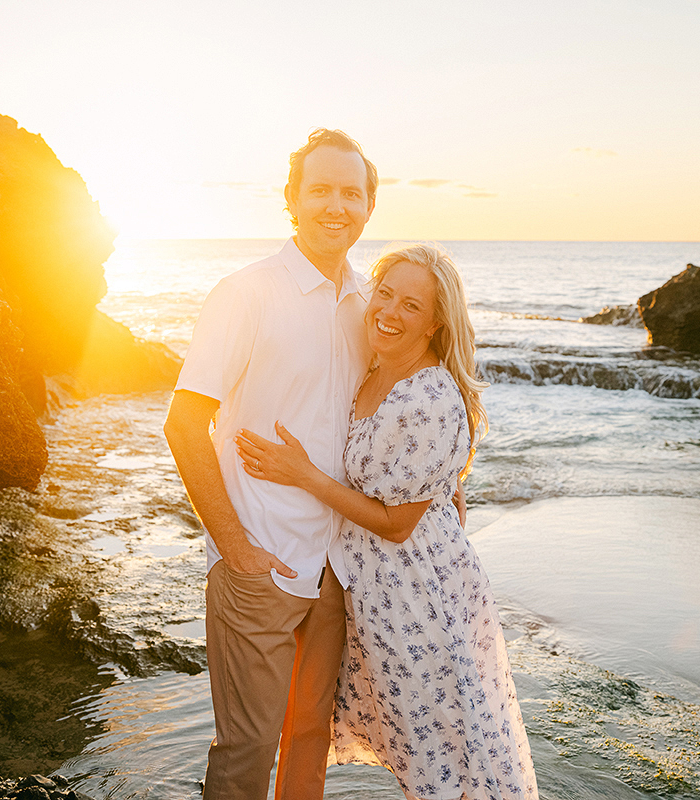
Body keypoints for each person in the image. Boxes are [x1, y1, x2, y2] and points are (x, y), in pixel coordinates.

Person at [236, 244, 539, 800]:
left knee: (443, 754)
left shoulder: (429, 394)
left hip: (419, 593)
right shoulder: (373, 366)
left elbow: (397, 524)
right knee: (405, 739)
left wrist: (300, 474)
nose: (390, 313)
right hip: (366, 583)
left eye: (411, 306)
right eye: (385, 295)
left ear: (435, 323)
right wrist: (449, 480)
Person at [163, 128, 377, 800]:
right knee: (247, 750)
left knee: (311, 737)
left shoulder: (372, 305)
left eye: (351, 192)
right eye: (320, 190)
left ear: (370, 205)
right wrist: (234, 546)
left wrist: (449, 487)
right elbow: (183, 422)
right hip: (260, 561)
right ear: (291, 198)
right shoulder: (245, 293)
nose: (335, 206)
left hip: (338, 568)